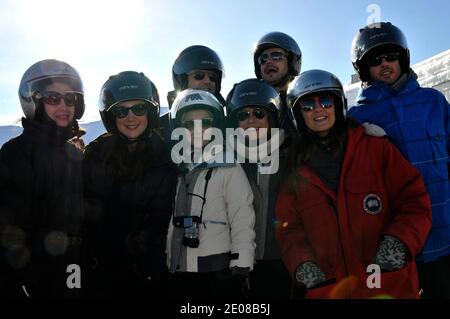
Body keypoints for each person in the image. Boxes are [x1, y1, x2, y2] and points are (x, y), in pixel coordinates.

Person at [275, 69, 432, 299]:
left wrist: (399, 243)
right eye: (307, 105)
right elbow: (288, 229)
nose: (318, 108)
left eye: (326, 101)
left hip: (385, 281)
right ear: (298, 114)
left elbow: (414, 200)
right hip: (329, 288)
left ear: (339, 105)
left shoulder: (377, 149)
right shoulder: (295, 171)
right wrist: (304, 265)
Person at [348, 22, 450, 298]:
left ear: (403, 58)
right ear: (363, 68)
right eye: (375, 59)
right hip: (396, 240)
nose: (385, 64)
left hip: (444, 231)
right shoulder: (356, 118)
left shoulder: (433, 101)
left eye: (391, 55)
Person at [82, 71, 177, 298]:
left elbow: (161, 221)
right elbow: (84, 216)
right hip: (103, 273)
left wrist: (151, 271)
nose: (131, 117)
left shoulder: (164, 153)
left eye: (139, 108)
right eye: (121, 110)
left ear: (151, 111)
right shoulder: (97, 154)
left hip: (151, 274)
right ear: (110, 116)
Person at [0, 59, 85, 298]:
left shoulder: (74, 151)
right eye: (52, 98)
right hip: (36, 277)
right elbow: (8, 226)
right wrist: (20, 281)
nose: (63, 106)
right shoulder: (16, 154)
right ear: (34, 102)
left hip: (71, 269)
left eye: (70, 98)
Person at [166, 89, 256, 299]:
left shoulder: (229, 165)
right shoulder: (177, 166)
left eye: (205, 122)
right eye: (189, 124)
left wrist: (241, 264)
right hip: (179, 266)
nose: (198, 129)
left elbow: (242, 217)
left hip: (218, 270)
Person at [225, 78, 291, 298]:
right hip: (234, 262)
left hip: (281, 262)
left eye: (259, 114)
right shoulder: (226, 158)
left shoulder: (292, 155)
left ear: (272, 117)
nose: (251, 120)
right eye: (243, 115)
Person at [252, 32, 301, 132]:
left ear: (291, 62)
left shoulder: (303, 101)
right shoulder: (250, 102)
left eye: (276, 56)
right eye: (263, 59)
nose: (269, 61)